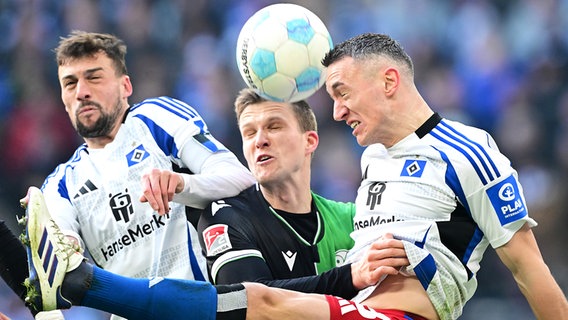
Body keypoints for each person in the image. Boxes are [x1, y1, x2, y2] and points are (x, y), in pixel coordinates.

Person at [13, 33, 568, 320]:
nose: (337, 111)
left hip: (397, 316)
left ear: (391, 80)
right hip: (354, 310)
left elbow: (528, 269)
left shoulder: (470, 151)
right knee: (255, 301)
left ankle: (87, 284)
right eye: (329, 97)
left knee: (258, 303)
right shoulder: (372, 162)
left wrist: (180, 184)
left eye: (342, 94)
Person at [9, 30, 255, 319]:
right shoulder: (59, 186)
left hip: (199, 305)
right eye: (70, 83)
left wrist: (181, 184)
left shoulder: (153, 119)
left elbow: (241, 179)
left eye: (94, 77)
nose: (82, 92)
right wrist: (60, 250)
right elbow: (61, 255)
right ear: (63, 98)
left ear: (125, 85)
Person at [197, 88, 364, 296]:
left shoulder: (352, 218)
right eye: (249, 133)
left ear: (309, 141)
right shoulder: (226, 217)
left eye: (274, 127)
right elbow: (251, 300)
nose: (259, 141)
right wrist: (349, 277)